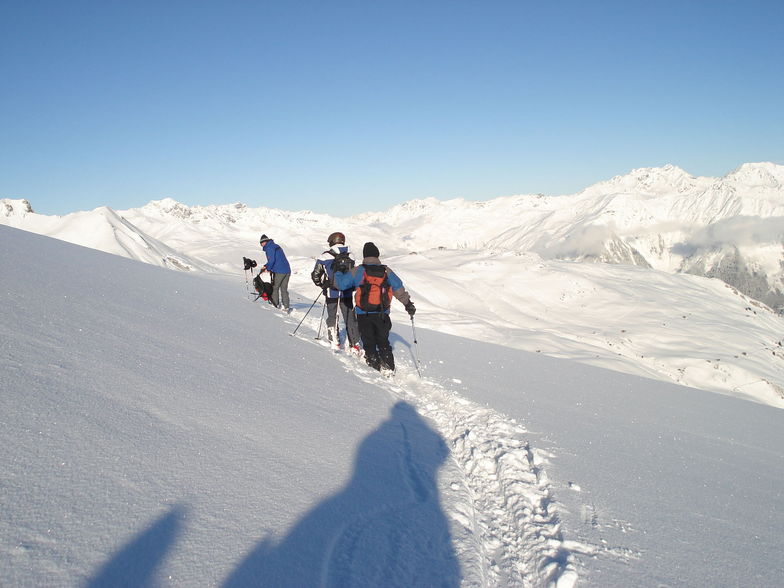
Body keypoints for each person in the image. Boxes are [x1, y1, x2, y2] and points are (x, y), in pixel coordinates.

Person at [334, 242, 415, 373]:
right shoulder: (386, 270)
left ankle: (374, 369)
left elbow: (341, 285)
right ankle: (389, 369)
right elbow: (399, 289)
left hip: (363, 314)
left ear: (364, 256)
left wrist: (338, 271)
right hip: (382, 313)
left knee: (369, 342)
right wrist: (408, 304)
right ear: (377, 255)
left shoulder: (358, 271)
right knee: (383, 342)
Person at [310, 232, 361, 354]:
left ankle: (335, 341)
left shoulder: (325, 256)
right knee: (349, 317)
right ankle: (355, 344)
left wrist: (322, 285)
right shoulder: (351, 256)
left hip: (331, 292)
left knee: (333, 316)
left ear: (332, 241)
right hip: (347, 292)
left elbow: (315, 275)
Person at [259, 234, 291, 312]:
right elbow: (276, 259)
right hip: (287, 270)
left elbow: (272, 260)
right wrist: (266, 266)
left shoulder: (269, 248)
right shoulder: (275, 245)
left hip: (280, 271)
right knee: (284, 289)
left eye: (262, 243)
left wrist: (268, 268)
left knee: (275, 287)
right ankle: (286, 307)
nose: (261, 244)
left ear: (265, 242)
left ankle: (275, 304)